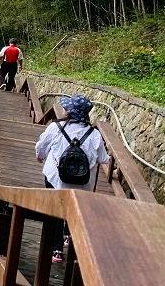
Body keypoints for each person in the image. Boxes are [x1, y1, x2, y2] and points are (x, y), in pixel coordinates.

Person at [35, 95, 110, 263]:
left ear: (70, 112)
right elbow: (103, 159)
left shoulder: (56, 127)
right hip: (82, 184)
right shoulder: (95, 134)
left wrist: (40, 156)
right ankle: (69, 235)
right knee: (75, 207)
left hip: (56, 179)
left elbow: (41, 148)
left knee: (55, 210)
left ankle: (56, 250)